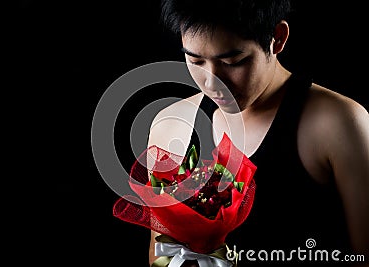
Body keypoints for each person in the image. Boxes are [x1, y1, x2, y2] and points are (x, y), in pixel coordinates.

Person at [145, 0, 369, 266]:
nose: (213, 82)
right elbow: (159, 254)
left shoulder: (337, 123)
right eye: (195, 60)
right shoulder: (171, 125)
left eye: (233, 61)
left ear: (278, 38)